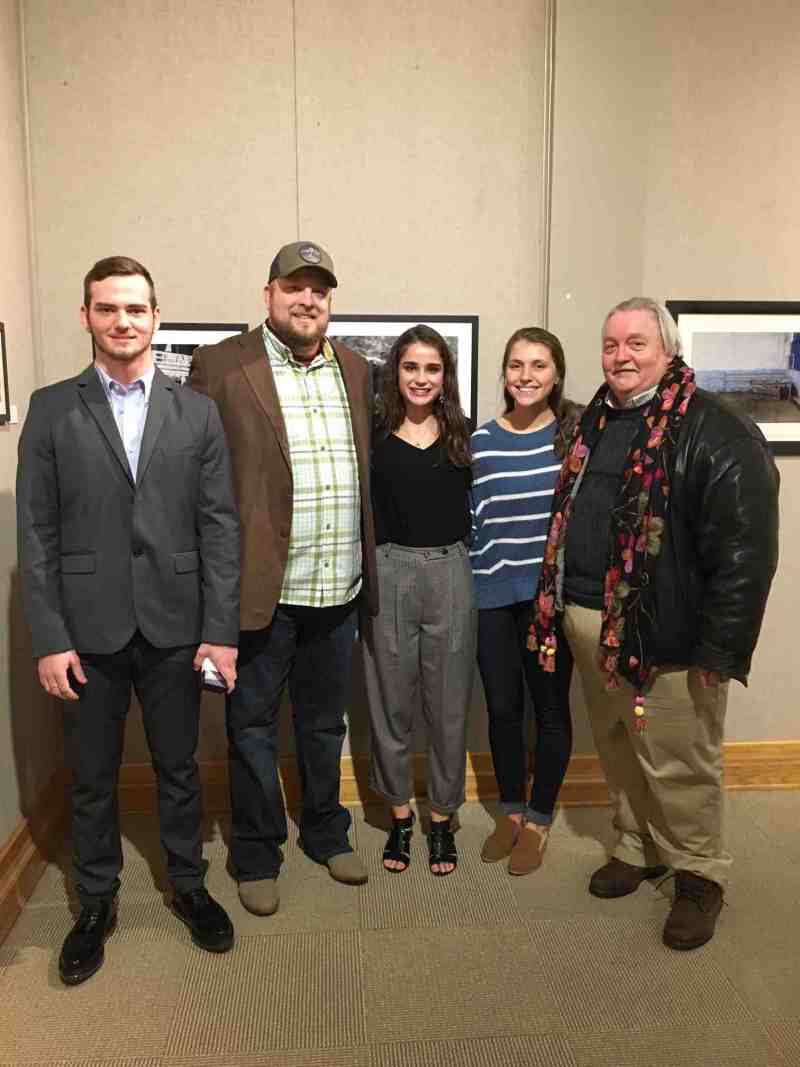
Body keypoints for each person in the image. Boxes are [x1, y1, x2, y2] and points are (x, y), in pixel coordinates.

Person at [17, 256, 240, 985]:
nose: (123, 321)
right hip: (87, 633)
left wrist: (221, 630)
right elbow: (38, 533)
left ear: (155, 316)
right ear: (86, 316)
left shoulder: (196, 411)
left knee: (180, 767)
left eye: (136, 309)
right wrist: (49, 637)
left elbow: (219, 529)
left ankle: (188, 881)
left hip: (178, 628)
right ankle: (95, 902)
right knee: (91, 776)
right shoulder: (51, 408)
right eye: (107, 308)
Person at [530, 297, 779, 949]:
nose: (621, 356)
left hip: (667, 638)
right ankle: (639, 844)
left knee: (678, 761)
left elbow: (745, 554)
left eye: (636, 343)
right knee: (619, 745)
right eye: (611, 344)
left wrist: (719, 648)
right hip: (593, 624)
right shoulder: (596, 421)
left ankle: (700, 877)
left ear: (666, 350)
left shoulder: (714, 428)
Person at [189, 241, 377, 915]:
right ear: (267, 294)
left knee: (326, 725)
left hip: (339, 589)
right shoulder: (221, 366)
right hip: (262, 593)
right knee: (253, 729)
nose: (308, 300)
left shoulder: (354, 368)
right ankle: (255, 851)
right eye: (294, 287)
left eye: (319, 290)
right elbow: (196, 482)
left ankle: (327, 832)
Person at [362, 324, 474, 876]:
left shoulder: (465, 435)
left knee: (449, 705)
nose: (421, 378)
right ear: (396, 373)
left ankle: (442, 819)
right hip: (389, 569)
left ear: (445, 376)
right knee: (391, 702)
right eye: (411, 367)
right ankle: (401, 816)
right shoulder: (374, 434)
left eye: (432, 368)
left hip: (451, 572)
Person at [470, 327, 580, 875]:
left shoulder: (573, 441)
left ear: (556, 375)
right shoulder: (480, 441)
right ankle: (510, 812)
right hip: (491, 597)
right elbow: (473, 519)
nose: (526, 376)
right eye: (516, 365)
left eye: (538, 365)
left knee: (551, 711)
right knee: (503, 710)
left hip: (548, 605)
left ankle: (539, 821)